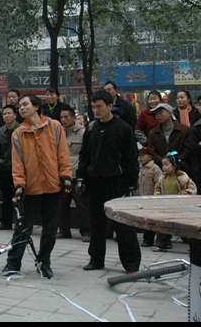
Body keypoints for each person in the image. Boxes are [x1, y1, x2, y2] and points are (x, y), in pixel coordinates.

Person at [2, 95, 72, 280]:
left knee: (50, 229)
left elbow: (63, 154)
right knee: (23, 228)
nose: (21, 108)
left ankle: (44, 262)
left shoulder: (55, 126)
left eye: (25, 104)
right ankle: (12, 263)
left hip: (53, 187)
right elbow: (17, 162)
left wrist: (66, 176)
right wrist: (19, 185)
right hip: (31, 188)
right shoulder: (18, 133)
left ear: (36, 107)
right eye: (20, 106)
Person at [77, 90, 141, 274]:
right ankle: (96, 259)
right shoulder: (91, 129)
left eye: (99, 106)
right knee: (96, 223)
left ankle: (131, 263)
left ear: (109, 106)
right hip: (95, 181)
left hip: (117, 182)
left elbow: (131, 158)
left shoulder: (123, 128)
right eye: (93, 107)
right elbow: (85, 156)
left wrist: (131, 183)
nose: (96, 110)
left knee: (122, 224)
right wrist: (81, 177)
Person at [153, 152, 197, 251]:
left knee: (184, 226)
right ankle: (162, 243)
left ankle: (192, 243)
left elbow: (192, 188)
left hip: (179, 206)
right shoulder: (163, 177)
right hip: (166, 205)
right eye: (163, 165)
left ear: (174, 165)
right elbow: (157, 187)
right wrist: (157, 195)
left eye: (166, 164)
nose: (164, 167)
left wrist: (182, 195)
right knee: (163, 224)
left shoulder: (182, 176)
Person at [57, 104, 86, 240]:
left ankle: (86, 231)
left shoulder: (82, 133)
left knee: (82, 204)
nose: (63, 119)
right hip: (62, 173)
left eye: (66, 117)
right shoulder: (58, 132)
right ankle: (63, 230)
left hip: (76, 173)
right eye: (61, 117)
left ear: (73, 117)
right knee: (61, 204)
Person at [0, 105, 20, 230]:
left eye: (9, 113)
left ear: (15, 115)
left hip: (19, 169)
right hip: (4, 169)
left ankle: (21, 223)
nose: (7, 116)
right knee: (6, 197)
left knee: (20, 197)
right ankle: (6, 222)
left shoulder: (21, 130)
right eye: (4, 114)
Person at [137, 147, 163, 247]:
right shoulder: (141, 168)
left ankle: (148, 239)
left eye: (143, 155)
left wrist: (156, 195)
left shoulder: (155, 168)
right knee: (145, 220)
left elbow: (159, 183)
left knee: (151, 220)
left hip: (152, 198)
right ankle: (147, 238)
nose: (141, 158)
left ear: (150, 156)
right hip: (142, 198)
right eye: (140, 156)